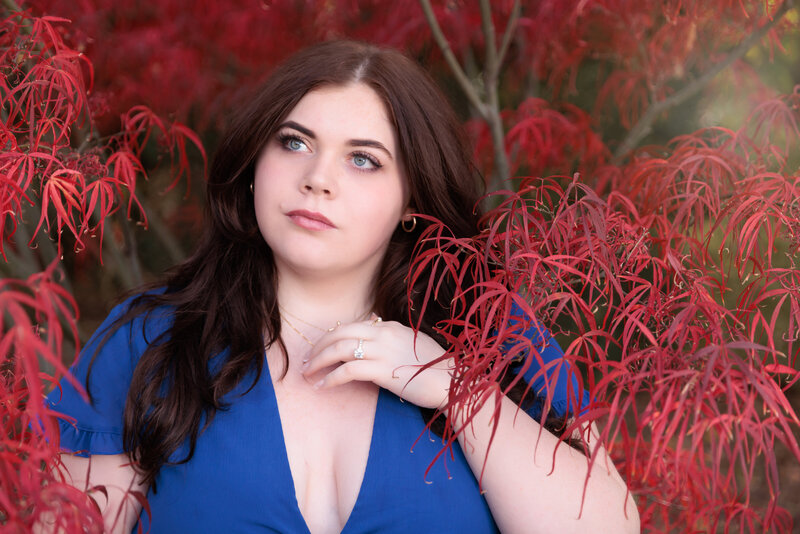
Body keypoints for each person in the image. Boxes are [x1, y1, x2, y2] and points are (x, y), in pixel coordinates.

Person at [46, 40, 640, 533]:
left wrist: (455, 389)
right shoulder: (150, 339)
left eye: (364, 160)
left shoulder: (494, 334)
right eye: (294, 142)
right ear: (256, 159)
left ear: (413, 197)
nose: (317, 180)